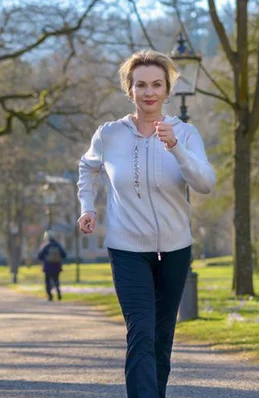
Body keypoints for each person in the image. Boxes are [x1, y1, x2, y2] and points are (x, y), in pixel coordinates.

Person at [77, 50, 216, 398]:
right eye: (141, 85)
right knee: (140, 332)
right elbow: (87, 167)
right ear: (130, 90)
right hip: (127, 249)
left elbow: (206, 184)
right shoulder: (109, 135)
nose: (149, 92)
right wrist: (87, 207)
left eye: (156, 84)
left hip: (175, 249)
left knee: (161, 336)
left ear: (167, 90)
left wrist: (176, 149)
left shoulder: (184, 133)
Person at [37, 231, 67, 301]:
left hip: (47, 267)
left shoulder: (45, 245)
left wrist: (45, 259)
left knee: (47, 281)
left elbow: (39, 256)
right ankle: (58, 292)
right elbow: (64, 255)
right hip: (57, 266)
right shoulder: (58, 245)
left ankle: (50, 295)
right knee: (56, 280)